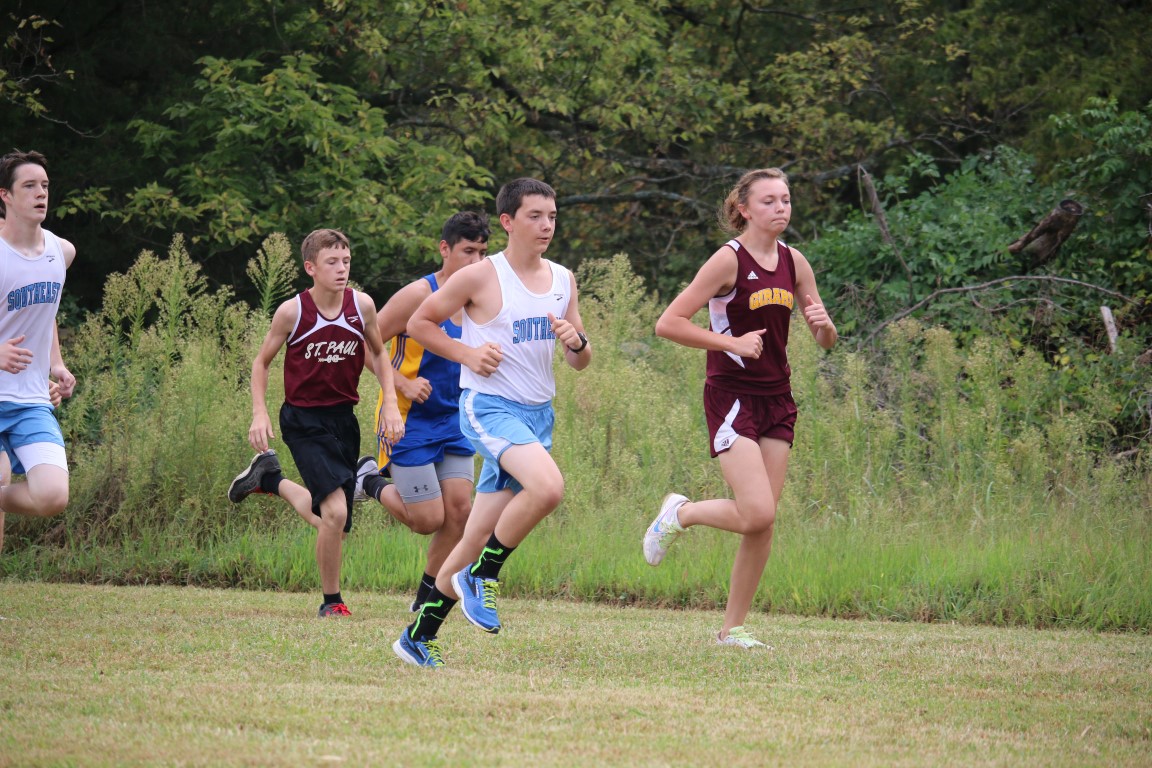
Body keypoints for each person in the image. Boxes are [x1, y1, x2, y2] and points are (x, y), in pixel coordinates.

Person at [392, 178, 592, 667]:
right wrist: (467, 354)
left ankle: (417, 637)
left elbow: (580, 361)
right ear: (508, 221)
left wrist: (577, 342)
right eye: (535, 216)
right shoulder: (481, 276)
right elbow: (419, 323)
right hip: (489, 408)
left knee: (474, 536)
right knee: (548, 488)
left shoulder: (563, 279)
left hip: (537, 415)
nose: (546, 225)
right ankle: (484, 575)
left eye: (552, 216)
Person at [644, 168, 837, 649]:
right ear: (744, 209)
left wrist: (824, 326)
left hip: (778, 398)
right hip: (731, 395)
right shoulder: (727, 260)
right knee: (755, 512)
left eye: (785, 199)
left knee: (763, 521)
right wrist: (729, 342)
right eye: (769, 201)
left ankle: (732, 630)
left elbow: (825, 340)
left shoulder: (795, 261)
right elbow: (668, 323)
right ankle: (680, 514)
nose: (781, 208)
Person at [227, 228, 404, 618]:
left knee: (333, 523)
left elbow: (379, 354)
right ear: (311, 268)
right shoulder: (292, 312)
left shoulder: (362, 306)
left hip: (344, 419)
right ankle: (332, 602)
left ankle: (270, 479)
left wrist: (390, 402)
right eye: (332, 262)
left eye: (346, 261)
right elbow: (261, 362)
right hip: (303, 420)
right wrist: (259, 412)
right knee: (335, 514)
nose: (342, 269)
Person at [356, 211, 490, 613]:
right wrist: (401, 383)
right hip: (407, 420)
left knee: (460, 511)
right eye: (468, 251)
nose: (477, 261)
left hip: (455, 419)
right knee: (427, 520)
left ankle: (426, 599)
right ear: (445, 249)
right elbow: (365, 347)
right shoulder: (418, 294)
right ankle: (369, 481)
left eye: (483, 253)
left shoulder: (480, 297)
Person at [0, 150, 78, 554]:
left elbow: (44, 312)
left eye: (44, 185)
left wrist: (57, 365)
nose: (40, 193)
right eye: (29, 186)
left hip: (31, 400)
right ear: (5, 195)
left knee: (51, 496)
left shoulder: (61, 252)